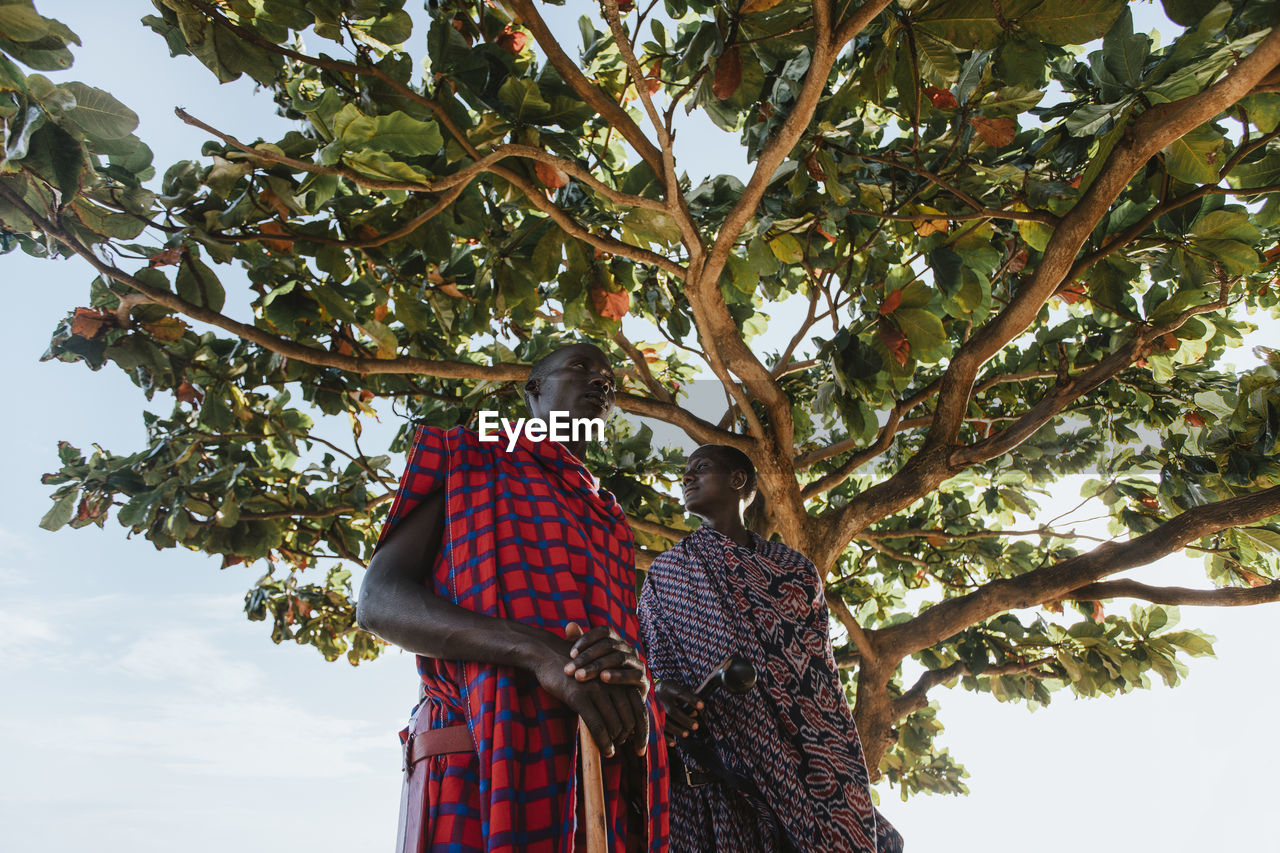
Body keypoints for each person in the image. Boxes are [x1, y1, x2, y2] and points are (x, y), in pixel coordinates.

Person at [357, 342, 668, 853]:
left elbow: (614, 643)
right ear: (533, 390)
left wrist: (633, 673)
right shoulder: (470, 457)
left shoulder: (610, 519)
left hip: (593, 775)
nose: (600, 382)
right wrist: (537, 650)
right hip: (477, 760)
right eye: (580, 368)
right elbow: (378, 601)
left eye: (608, 380)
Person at [638, 444, 903, 852]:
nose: (686, 477)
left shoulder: (795, 570)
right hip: (713, 769)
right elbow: (652, 667)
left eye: (700, 468)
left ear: (737, 480)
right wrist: (661, 696)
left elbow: (820, 676)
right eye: (685, 472)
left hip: (808, 758)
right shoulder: (667, 572)